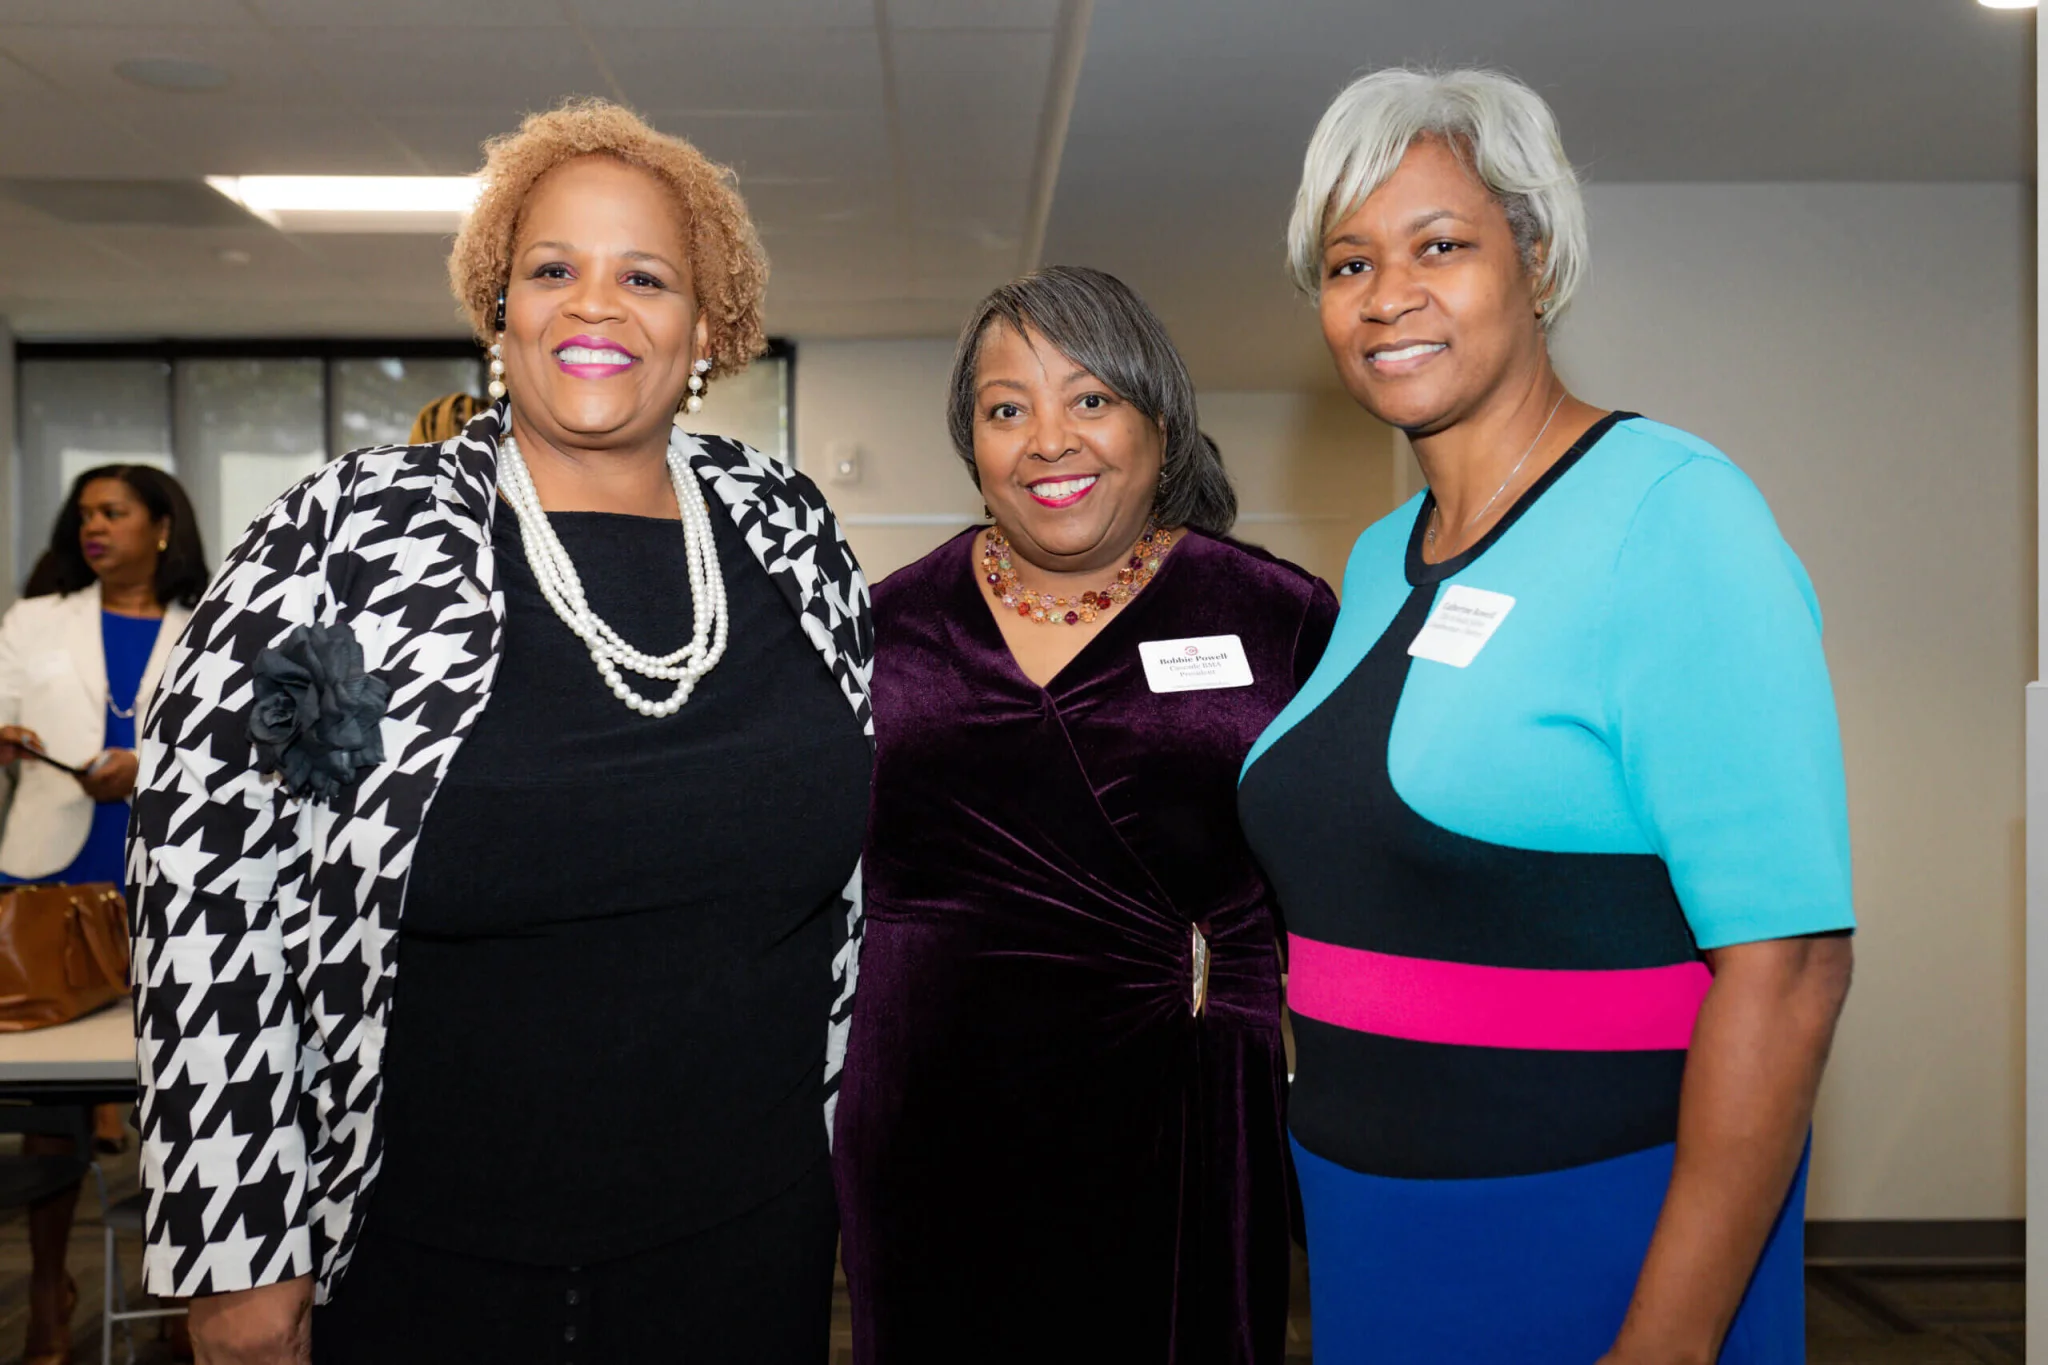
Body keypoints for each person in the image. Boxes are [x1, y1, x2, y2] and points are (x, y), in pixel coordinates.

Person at [128, 98, 874, 1365]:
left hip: (752, 1245)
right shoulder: (354, 545)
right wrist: (239, 1247)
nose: (594, 305)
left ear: (706, 327)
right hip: (430, 1260)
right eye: (551, 269)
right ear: (498, 307)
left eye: (644, 275)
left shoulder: (786, 531)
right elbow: (222, 877)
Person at [1236, 67, 1856, 1364]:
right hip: (1369, 1231)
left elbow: (1791, 968)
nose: (1388, 294)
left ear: (1537, 258)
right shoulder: (1374, 558)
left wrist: (1668, 1343)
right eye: (1349, 263)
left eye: (1440, 245)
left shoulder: (1676, 513)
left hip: (1595, 1230)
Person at [835, 266, 1338, 1364]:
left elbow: (1342, 871)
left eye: (1090, 399)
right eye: (1005, 409)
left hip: (1178, 1103)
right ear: (971, 446)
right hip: (930, 1110)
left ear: (1160, 419)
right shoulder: (885, 627)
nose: (1047, 441)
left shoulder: (1275, 617)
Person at [0, 464, 207, 1365]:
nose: (94, 527)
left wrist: (149, 768)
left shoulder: (211, 626)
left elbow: (237, 750)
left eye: (113, 513)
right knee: (51, 1105)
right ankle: (48, 1288)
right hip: (47, 876)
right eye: (85, 514)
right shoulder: (34, 618)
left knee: (178, 1094)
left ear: (162, 526)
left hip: (174, 875)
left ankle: (179, 1286)